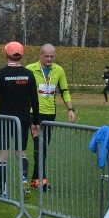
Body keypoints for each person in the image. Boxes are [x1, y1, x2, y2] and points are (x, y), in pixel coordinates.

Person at [0, 41, 40, 198]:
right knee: (21, 152)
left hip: (4, 119)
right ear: (21, 55)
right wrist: (35, 122)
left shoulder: (0, 74)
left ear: (6, 54)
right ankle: (23, 178)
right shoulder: (29, 75)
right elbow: (35, 100)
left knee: (3, 155)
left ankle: (3, 191)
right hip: (22, 120)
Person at [25, 44, 75, 190]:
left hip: (50, 113)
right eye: (46, 56)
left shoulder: (58, 70)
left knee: (44, 147)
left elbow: (65, 90)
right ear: (40, 55)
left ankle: (35, 179)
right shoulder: (30, 69)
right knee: (38, 145)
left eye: (52, 56)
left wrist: (70, 109)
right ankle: (42, 181)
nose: (49, 59)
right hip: (34, 113)